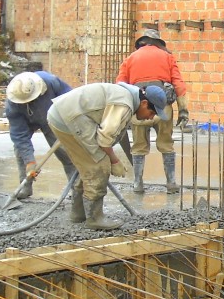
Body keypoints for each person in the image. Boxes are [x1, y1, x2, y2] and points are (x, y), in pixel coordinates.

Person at [47, 82, 170, 230]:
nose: (151, 117)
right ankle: (95, 218)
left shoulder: (128, 97)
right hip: (69, 118)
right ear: (144, 103)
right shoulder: (124, 104)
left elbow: (115, 135)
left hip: (65, 114)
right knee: (99, 164)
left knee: (88, 165)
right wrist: (114, 161)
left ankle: (79, 214)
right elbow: (104, 139)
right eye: (152, 112)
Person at [116, 28, 189, 194]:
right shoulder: (167, 57)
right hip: (163, 108)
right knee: (166, 144)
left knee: (139, 146)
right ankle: (171, 184)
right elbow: (178, 84)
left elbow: (120, 85)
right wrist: (183, 110)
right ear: (158, 43)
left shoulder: (130, 59)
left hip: (139, 109)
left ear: (141, 43)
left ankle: (137, 183)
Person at [5, 71, 81, 220]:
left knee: (66, 154)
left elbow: (71, 100)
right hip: (26, 120)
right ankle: (25, 185)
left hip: (53, 118)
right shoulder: (12, 104)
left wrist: (67, 123)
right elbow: (19, 136)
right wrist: (30, 162)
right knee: (21, 151)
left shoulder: (51, 82)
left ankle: (78, 190)